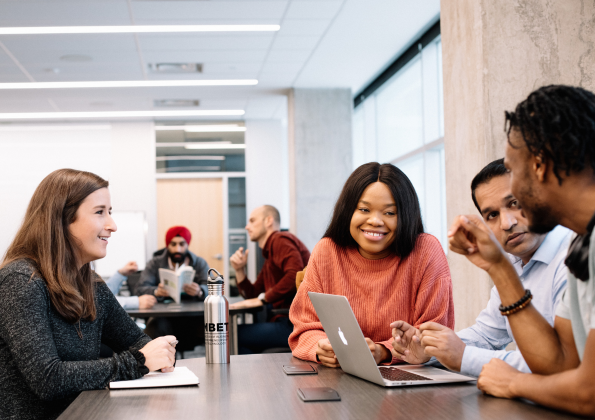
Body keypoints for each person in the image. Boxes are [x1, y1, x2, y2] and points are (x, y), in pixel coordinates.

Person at [448, 85, 595, 416]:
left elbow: (589, 391)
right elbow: (562, 365)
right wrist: (498, 266)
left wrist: (513, 382)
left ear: (539, 166)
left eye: (512, 172)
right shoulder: (584, 243)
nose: (507, 219)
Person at [0, 168, 176, 420]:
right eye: (99, 212)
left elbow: (140, 344)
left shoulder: (91, 285)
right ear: (61, 219)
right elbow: (47, 379)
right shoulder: (20, 281)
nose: (112, 225)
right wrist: (138, 361)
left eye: (110, 212)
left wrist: (162, 353)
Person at [390, 158, 571, 377]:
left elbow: (558, 364)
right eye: (492, 215)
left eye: (515, 203)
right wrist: (429, 349)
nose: (507, 223)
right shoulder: (513, 262)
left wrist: (463, 356)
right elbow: (488, 335)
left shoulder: (573, 258)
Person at [289, 162, 455, 367]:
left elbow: (434, 333)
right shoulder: (327, 251)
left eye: (389, 213)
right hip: (340, 379)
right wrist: (320, 347)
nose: (375, 221)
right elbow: (305, 326)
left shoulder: (426, 250)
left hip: (409, 382)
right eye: (364, 209)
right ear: (348, 211)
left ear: (406, 216)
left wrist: (383, 351)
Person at [229, 205, 310, 354]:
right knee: (240, 345)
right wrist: (239, 270)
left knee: (232, 335)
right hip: (285, 321)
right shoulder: (270, 256)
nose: (247, 227)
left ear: (268, 221)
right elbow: (253, 295)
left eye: (252, 221)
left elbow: (295, 275)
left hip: (294, 325)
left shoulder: (279, 239)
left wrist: (265, 298)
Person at [136, 226, 208, 349]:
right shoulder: (155, 263)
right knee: (155, 327)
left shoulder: (199, 263)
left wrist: (200, 291)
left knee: (211, 326)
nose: (177, 249)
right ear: (167, 245)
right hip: (163, 315)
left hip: (193, 316)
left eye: (182, 244)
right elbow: (140, 289)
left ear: (187, 244)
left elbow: (211, 287)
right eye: (173, 244)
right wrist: (156, 292)